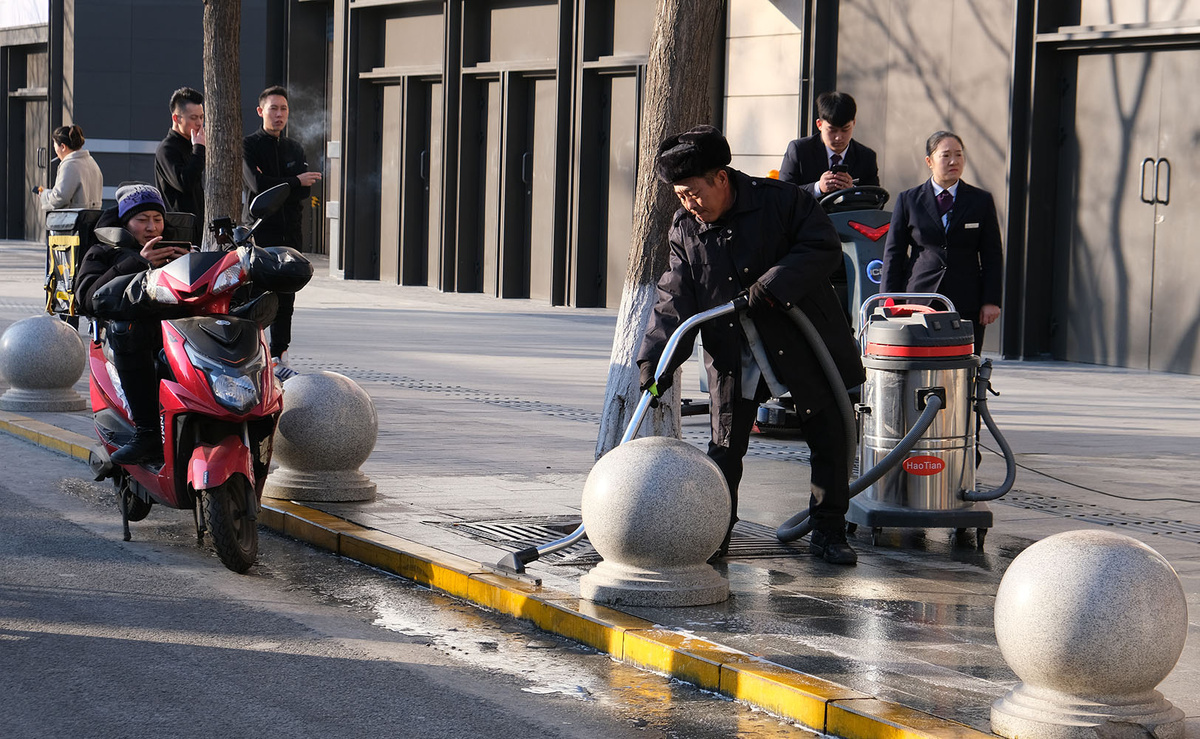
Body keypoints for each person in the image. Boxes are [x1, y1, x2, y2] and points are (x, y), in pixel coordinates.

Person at [637, 125, 866, 565]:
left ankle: (828, 530)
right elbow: (675, 297)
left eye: (694, 193)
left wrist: (770, 285)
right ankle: (716, 532)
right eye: (681, 196)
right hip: (732, 347)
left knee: (829, 434)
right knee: (725, 447)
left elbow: (822, 247)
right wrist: (656, 360)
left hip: (801, 336)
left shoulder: (783, 200)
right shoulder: (685, 226)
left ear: (721, 178)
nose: (689, 203)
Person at [76, 184, 190, 465]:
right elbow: (88, 297)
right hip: (129, 335)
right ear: (126, 223)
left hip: (178, 332)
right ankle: (147, 430)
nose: (151, 227)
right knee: (129, 330)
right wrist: (139, 263)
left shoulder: (180, 247)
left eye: (157, 218)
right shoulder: (104, 251)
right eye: (142, 220)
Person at [880, 131, 1003, 356]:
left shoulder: (980, 201)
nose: (954, 161)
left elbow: (992, 255)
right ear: (930, 161)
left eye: (958, 155)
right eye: (945, 155)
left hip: (966, 300)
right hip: (919, 298)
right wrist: (888, 299)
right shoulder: (909, 200)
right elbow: (894, 253)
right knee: (921, 360)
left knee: (964, 363)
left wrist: (991, 300)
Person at [242, 85, 321, 379]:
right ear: (261, 111)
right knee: (260, 296)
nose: (279, 115)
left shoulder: (294, 148)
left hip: (291, 235)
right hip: (262, 234)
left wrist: (284, 183)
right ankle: (257, 354)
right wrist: (293, 181)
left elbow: (302, 192)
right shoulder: (249, 145)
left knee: (287, 298)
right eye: (273, 108)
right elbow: (258, 187)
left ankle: (280, 354)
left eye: (283, 109)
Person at [778, 91, 879, 199]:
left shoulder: (866, 156)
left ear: (853, 123)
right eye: (832, 130)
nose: (838, 137)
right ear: (819, 124)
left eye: (845, 129)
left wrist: (853, 190)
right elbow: (783, 194)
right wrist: (818, 188)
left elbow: (877, 199)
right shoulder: (799, 150)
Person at [154, 87, 206, 221]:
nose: (199, 123)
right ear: (176, 118)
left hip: (198, 225)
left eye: (201, 117)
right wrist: (199, 148)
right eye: (194, 118)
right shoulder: (167, 149)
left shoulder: (193, 145)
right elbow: (184, 183)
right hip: (178, 228)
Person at [37, 125, 103, 212]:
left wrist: (44, 194)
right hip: (92, 221)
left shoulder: (69, 165)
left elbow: (59, 198)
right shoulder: (92, 162)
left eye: (55, 148)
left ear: (63, 147)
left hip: (74, 222)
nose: (56, 153)